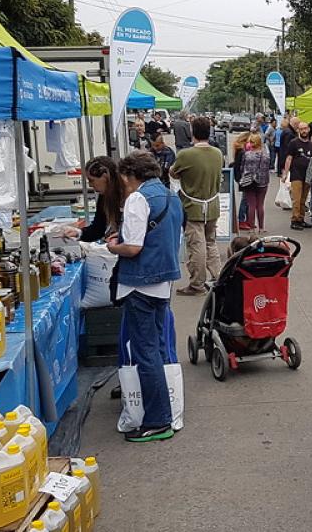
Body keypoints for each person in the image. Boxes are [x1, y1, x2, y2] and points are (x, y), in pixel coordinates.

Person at [106, 151, 183, 442]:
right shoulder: (169, 195)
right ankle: (166, 412)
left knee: (145, 352)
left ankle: (158, 419)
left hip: (140, 282)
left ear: (128, 176)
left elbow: (134, 247)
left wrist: (114, 247)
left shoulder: (138, 198)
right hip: (163, 280)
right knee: (157, 349)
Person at [171, 116, 223, 296]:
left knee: (196, 245)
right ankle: (219, 276)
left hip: (193, 206)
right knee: (211, 242)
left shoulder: (185, 155)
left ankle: (196, 284)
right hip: (213, 204)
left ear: (192, 132)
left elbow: (173, 172)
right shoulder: (217, 153)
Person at [63, 156, 126, 242]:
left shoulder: (128, 195)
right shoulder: (104, 196)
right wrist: (79, 233)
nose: (90, 185)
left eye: (91, 180)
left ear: (105, 176)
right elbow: (98, 229)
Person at [283, 120, 312, 231]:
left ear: (308, 129)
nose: (304, 131)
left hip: (307, 175)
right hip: (296, 173)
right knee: (296, 199)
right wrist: (285, 173)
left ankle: (301, 219)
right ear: (298, 130)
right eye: (301, 129)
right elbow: (289, 158)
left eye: (305, 129)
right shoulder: (294, 143)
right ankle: (295, 220)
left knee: (303, 199)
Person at [239, 133, 271, 232]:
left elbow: (241, 168)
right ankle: (261, 228)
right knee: (260, 205)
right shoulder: (265, 155)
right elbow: (267, 169)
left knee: (251, 205)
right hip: (262, 182)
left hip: (249, 182)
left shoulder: (247, 154)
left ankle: (252, 228)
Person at [230, 132, 252, 229]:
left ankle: (247, 219)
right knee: (246, 199)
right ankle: (241, 220)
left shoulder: (241, 150)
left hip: (243, 176)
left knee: (248, 199)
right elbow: (238, 166)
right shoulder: (241, 151)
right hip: (243, 177)